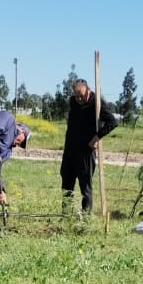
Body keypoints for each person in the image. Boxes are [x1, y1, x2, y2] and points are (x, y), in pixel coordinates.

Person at [60, 79, 117, 218]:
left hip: (85, 152)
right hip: (70, 150)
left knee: (85, 187)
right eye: (76, 95)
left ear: (89, 90)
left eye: (82, 95)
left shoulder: (96, 103)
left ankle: (86, 218)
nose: (79, 98)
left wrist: (96, 138)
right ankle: (66, 215)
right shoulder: (73, 101)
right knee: (66, 184)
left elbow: (112, 122)